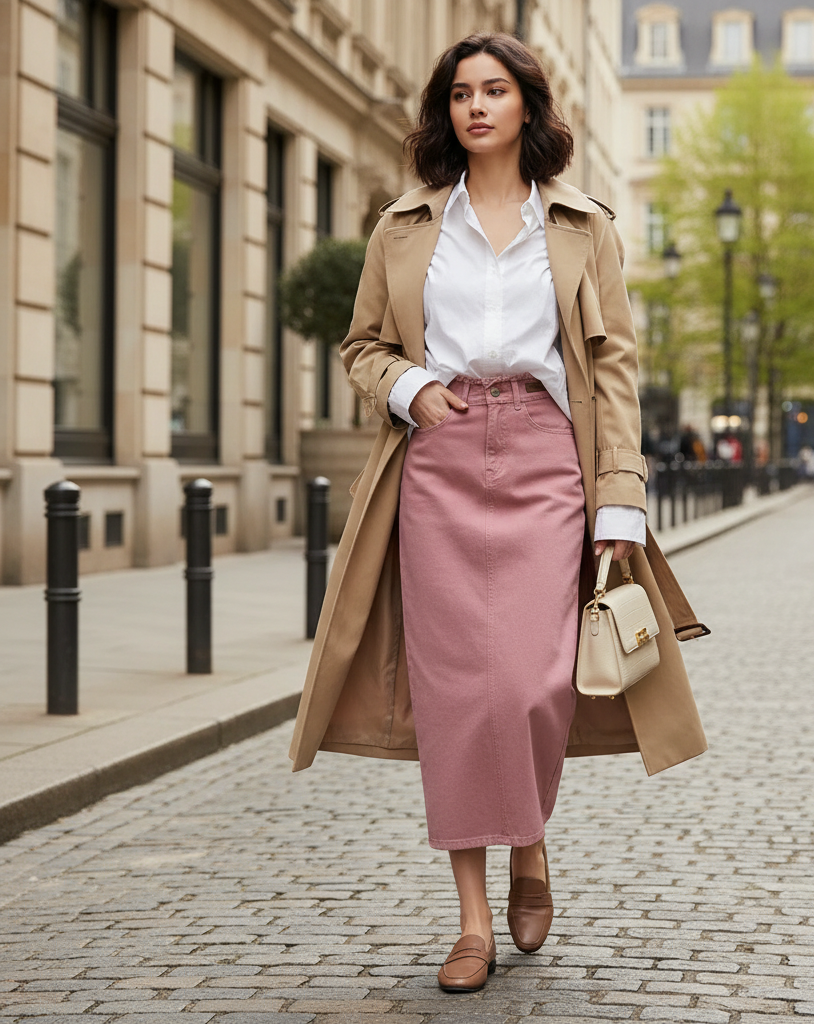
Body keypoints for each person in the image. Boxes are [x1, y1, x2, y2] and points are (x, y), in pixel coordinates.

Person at [287, 33, 707, 995]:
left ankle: (531, 839)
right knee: (456, 696)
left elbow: (613, 369)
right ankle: (472, 920)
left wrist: (621, 499)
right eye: (461, 93)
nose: (476, 106)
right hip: (438, 459)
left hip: (546, 455)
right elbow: (362, 345)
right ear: (446, 111)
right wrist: (409, 389)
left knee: (529, 682)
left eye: (495, 90)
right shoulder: (403, 225)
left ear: (527, 107)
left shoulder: (583, 224)